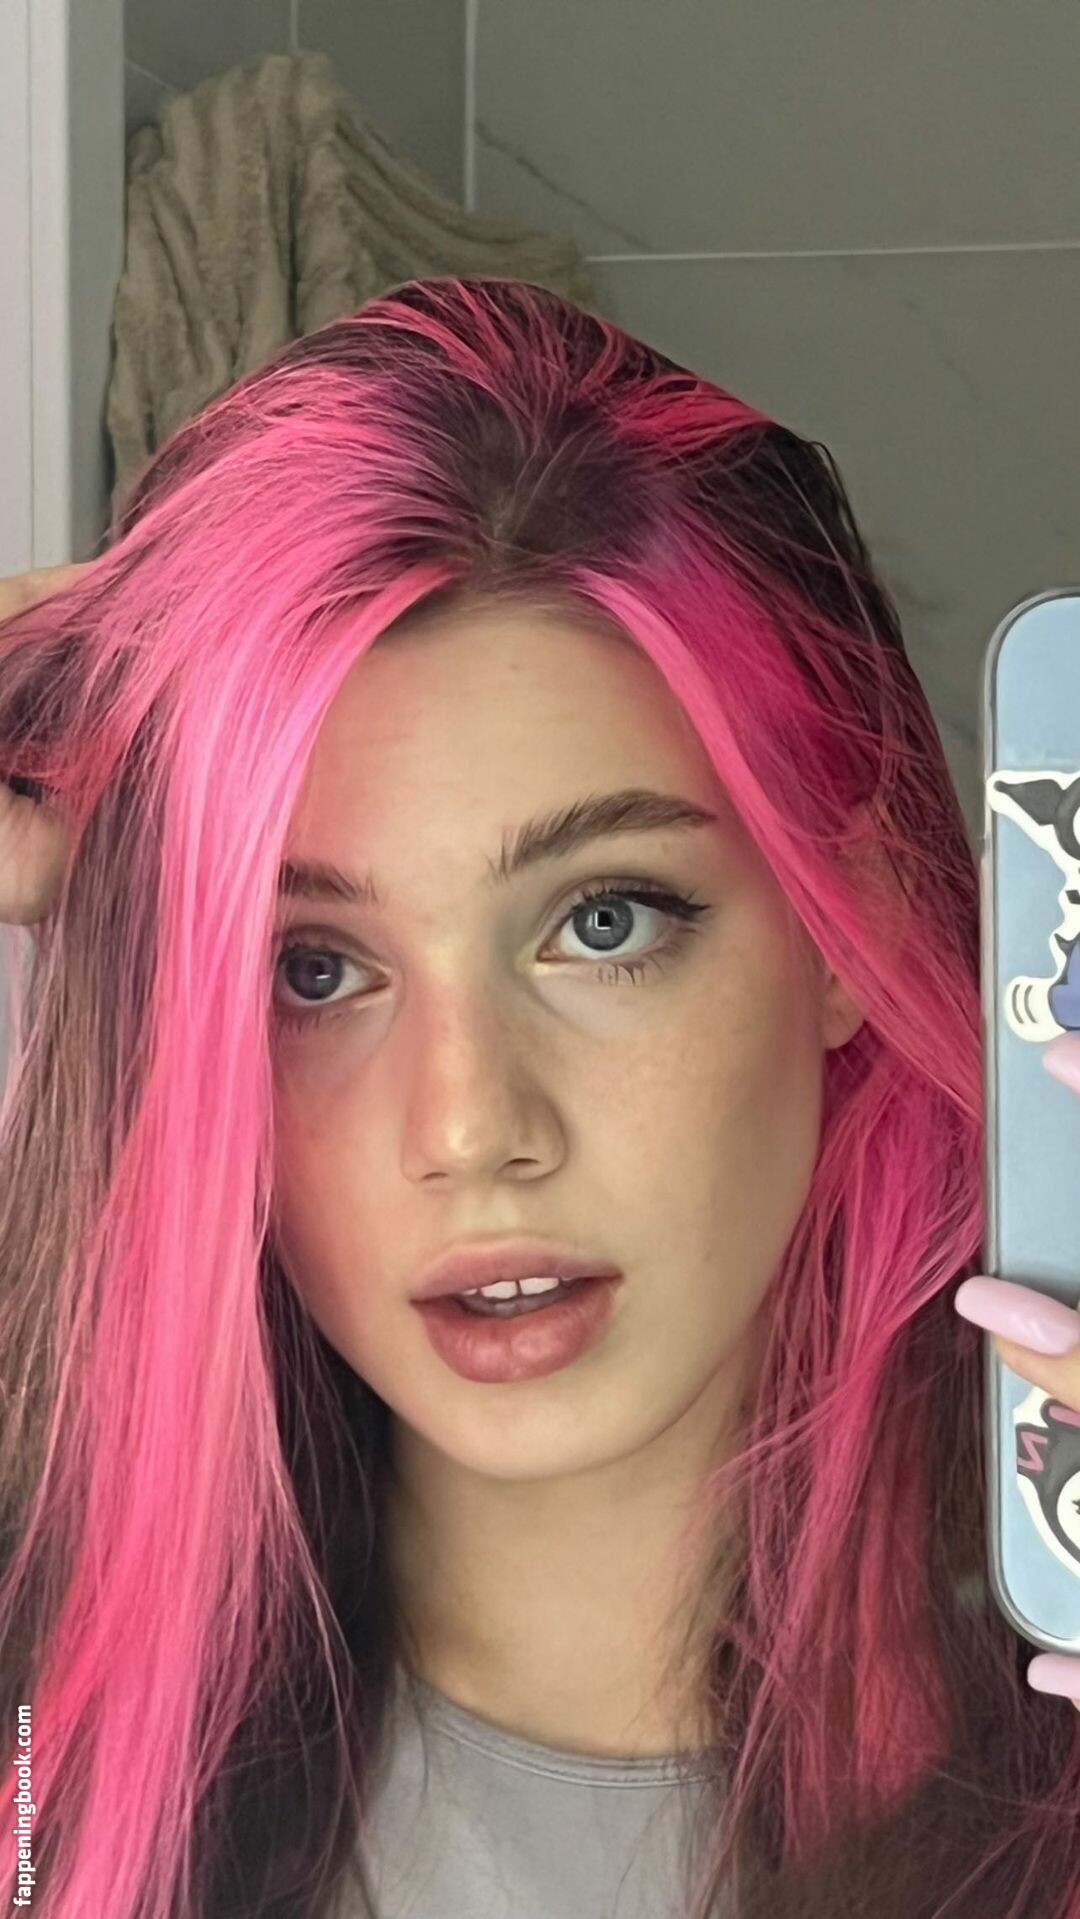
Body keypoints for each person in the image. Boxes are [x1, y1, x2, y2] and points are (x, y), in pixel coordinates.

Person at [1, 277, 1079, 1919]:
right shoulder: (51, 1765)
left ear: (843, 925)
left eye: (605, 923)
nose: (468, 1128)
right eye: (314, 969)